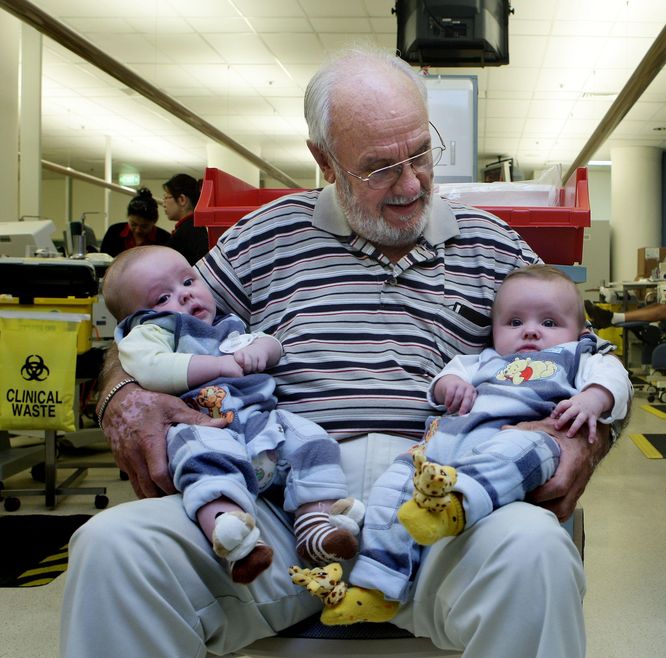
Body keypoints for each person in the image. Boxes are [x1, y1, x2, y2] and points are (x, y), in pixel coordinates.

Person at [62, 46, 603, 658]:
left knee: (535, 550)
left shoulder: (493, 246)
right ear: (324, 160)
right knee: (113, 548)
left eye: (420, 153)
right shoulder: (264, 236)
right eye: (379, 168)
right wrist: (122, 394)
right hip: (281, 503)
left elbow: (590, 357)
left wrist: (587, 437)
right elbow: (150, 329)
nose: (411, 183)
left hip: (441, 505)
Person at [309, 264, 631, 624]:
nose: (530, 331)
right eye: (514, 322)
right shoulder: (481, 361)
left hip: (524, 437)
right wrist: (451, 387)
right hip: (444, 447)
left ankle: (455, 507)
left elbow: (615, 379)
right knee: (392, 489)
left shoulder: (579, 356)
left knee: (514, 453)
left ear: (582, 333)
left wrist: (592, 399)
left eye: (549, 323)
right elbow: (445, 379)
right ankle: (376, 589)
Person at [101, 245, 365, 583]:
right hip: (206, 425)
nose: (184, 295)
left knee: (312, 440)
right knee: (204, 464)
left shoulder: (224, 323)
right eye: (162, 298)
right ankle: (233, 537)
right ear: (135, 317)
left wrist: (262, 350)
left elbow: (270, 342)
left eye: (187, 281)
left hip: (262, 422)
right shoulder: (153, 331)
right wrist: (217, 365)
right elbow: (151, 368)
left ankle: (316, 523)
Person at [99, 187, 171, 257]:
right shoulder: (114, 232)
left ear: (154, 221)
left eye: (144, 226)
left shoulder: (164, 239)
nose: (138, 230)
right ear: (128, 217)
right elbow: (103, 260)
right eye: (133, 224)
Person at [163, 173, 209, 265]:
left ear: (182, 200)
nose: (164, 204)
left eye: (166, 197)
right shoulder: (197, 227)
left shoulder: (187, 232)